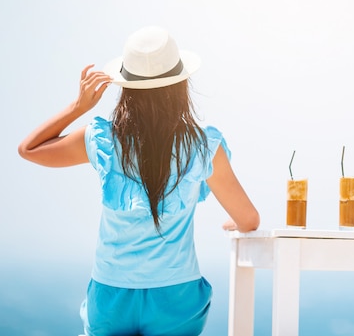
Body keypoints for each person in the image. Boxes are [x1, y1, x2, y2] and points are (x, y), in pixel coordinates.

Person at [18, 26, 260, 336]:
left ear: (125, 87)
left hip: (111, 296)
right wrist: (231, 222)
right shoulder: (203, 147)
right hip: (176, 297)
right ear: (181, 85)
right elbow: (249, 220)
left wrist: (78, 107)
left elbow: (29, 150)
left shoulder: (103, 139)